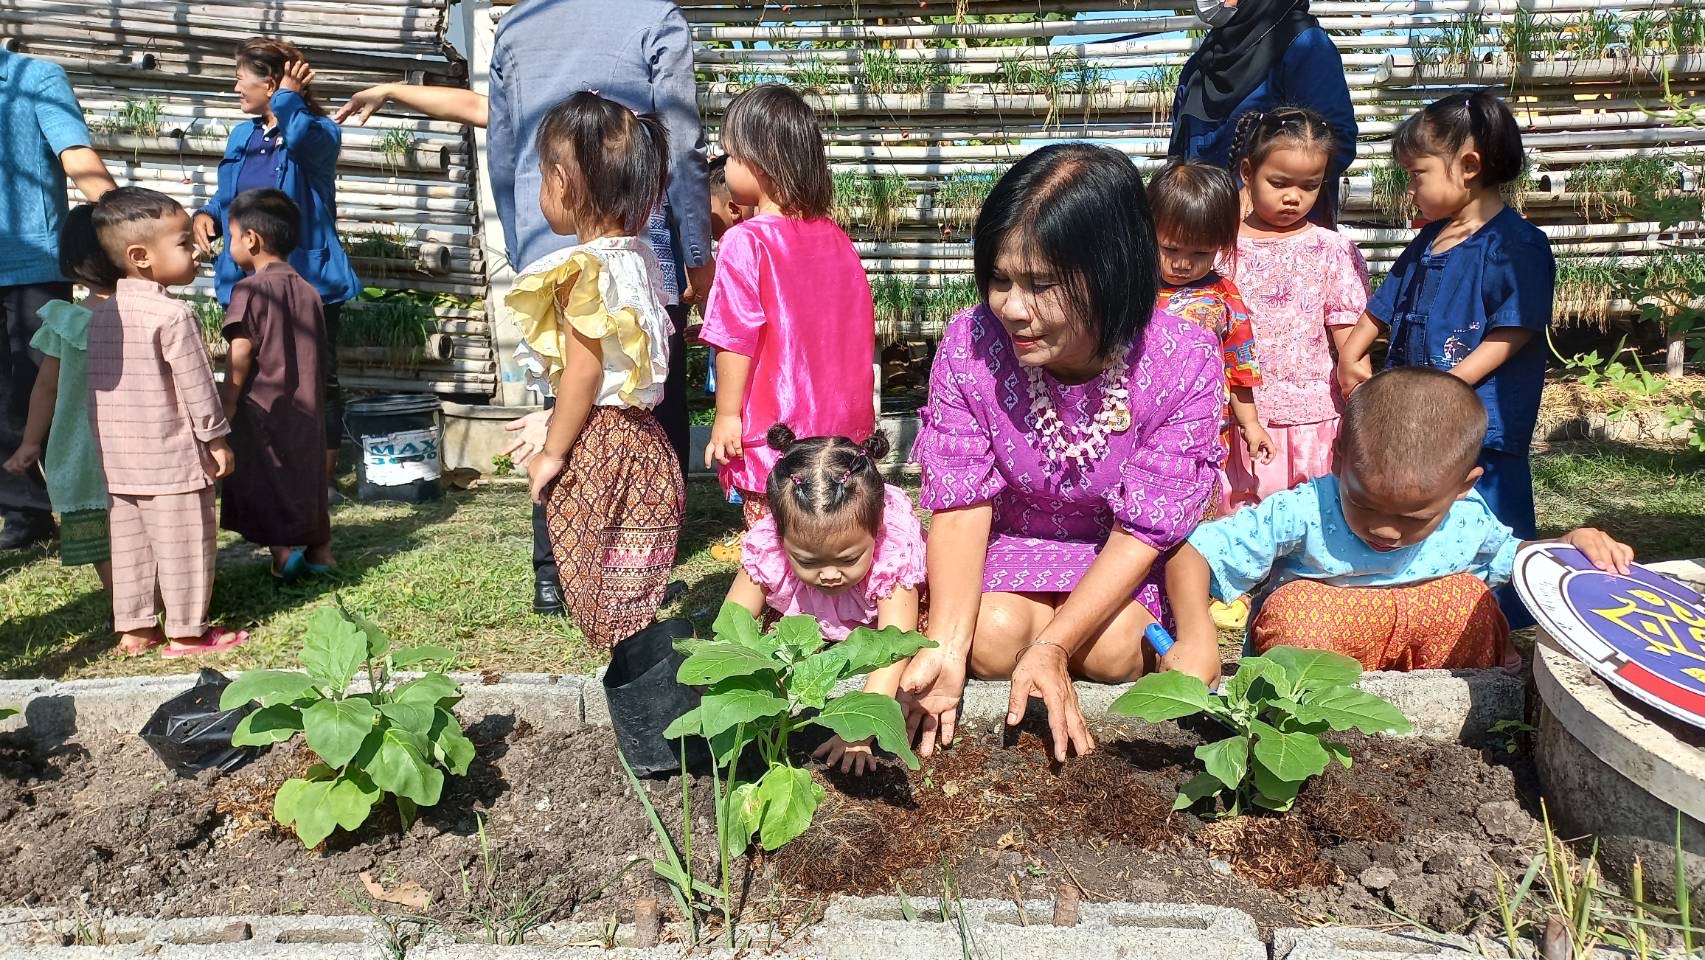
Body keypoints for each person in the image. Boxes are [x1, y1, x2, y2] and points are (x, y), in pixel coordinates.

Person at [350, 0, 714, 616]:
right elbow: (678, 145)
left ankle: (558, 570)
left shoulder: (519, 24)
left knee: (563, 404)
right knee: (651, 400)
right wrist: (696, 248)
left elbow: (504, 144)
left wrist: (525, 236)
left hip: (550, 233)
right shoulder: (654, 15)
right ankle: (640, 560)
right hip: (638, 234)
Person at [900, 144, 1225, 765]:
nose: (1013, 309)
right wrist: (943, 648)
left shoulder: (1184, 360)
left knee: (1115, 650)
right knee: (988, 640)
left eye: (1041, 285)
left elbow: (1149, 526)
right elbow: (962, 501)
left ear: (1112, 272)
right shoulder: (971, 345)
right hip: (1012, 548)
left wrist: (1052, 645)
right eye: (1000, 279)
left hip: (1117, 559)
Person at [1166, 368, 1633, 671]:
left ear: (1464, 486)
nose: (1386, 530)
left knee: (1470, 600)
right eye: (1365, 505)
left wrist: (1569, 543)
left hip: (1430, 671)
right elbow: (1196, 552)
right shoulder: (1305, 510)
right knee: (1297, 612)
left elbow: (1522, 562)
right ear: (1338, 460)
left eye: (1413, 518)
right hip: (1322, 668)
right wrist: (1195, 637)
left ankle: (1476, 726)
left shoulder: (1467, 519)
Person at [1337, 91, 1553, 630]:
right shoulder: (1433, 238)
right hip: (1414, 416)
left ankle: (1498, 625)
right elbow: (1386, 300)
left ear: (1469, 166)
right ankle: (1426, 610)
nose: (1410, 187)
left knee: (1488, 516)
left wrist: (1450, 387)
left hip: (1481, 424)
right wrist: (1350, 352)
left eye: (1416, 174)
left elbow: (1514, 330)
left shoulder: (1516, 245)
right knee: (1420, 510)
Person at [508, 93, 684, 650]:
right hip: (646, 441)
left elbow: (584, 375)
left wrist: (553, 451)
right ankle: (642, 669)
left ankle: (631, 683)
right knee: (630, 581)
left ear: (562, 180)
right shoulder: (638, 257)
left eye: (541, 176)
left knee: (592, 580)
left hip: (600, 451)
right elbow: (615, 372)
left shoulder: (579, 271)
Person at [700, 85, 875, 529]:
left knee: (772, 552)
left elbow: (734, 338)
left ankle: (773, 603)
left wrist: (725, 416)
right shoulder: (837, 239)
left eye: (731, 157)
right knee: (828, 545)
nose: (727, 167)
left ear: (758, 164)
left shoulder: (746, 241)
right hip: (840, 437)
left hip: (775, 435)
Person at [87, 187, 248, 657]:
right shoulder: (172, 314)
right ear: (140, 256)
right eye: (183, 243)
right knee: (186, 545)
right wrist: (217, 438)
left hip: (119, 458)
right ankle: (186, 632)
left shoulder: (98, 316)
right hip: (174, 457)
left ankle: (135, 629)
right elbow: (197, 387)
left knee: (131, 545)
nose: (198, 250)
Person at [192, 39, 358, 489]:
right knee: (248, 374)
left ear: (270, 82)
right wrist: (206, 212)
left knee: (313, 378)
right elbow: (231, 191)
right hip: (246, 281)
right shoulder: (242, 136)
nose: (234, 87)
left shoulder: (319, 131)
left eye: (241, 78)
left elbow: (303, 139)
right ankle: (255, 471)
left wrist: (288, 97)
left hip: (309, 281)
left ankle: (318, 483)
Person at [724, 426, 925, 775]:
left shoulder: (890, 552)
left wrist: (859, 726)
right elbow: (732, 625)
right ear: (780, 539)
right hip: (808, 627)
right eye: (808, 561)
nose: (830, 574)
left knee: (916, 668)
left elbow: (895, 645)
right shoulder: (769, 548)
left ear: (876, 532)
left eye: (848, 560)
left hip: (877, 627)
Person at [1, 46, 117, 549]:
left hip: (30, 265)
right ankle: (25, 513)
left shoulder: (34, 77)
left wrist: (123, 219)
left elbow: (75, 154)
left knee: (43, 389)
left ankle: (87, 499)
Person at [1224, 107, 1368, 509]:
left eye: (1310, 185)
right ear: (1248, 172)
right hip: (1233, 418)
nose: (1293, 197)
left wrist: (1364, 414)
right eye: (1279, 182)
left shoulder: (1331, 250)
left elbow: (1350, 345)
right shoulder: (1213, 247)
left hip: (1312, 423)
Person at [2, 206, 120, 597]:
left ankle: (123, 603)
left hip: (80, 447)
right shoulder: (147, 314)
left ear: (70, 262)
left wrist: (31, 442)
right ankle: (151, 594)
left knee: (96, 528)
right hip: (138, 444)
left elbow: (44, 388)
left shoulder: (67, 320)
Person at [217, 188, 334, 580]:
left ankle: (283, 553)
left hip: (260, 407)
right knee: (308, 474)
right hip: (307, 406)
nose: (231, 246)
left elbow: (241, 353)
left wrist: (227, 401)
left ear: (251, 239)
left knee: (265, 475)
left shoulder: (249, 290)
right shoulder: (309, 291)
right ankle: (321, 551)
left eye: (231, 237)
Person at [1148, 159, 1269, 517]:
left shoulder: (1223, 296)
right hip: (1138, 420)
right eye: (1170, 249)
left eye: (1200, 253)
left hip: (1205, 425)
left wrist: (1251, 424)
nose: (1182, 264)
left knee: (1198, 506)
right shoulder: (1130, 289)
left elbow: (1238, 364)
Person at [1170, 0, 1357, 227]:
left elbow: (1337, 141)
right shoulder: (1201, 64)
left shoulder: (1305, 47)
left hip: (1285, 246)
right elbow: (1180, 155)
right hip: (1205, 239)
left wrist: (1254, 194)